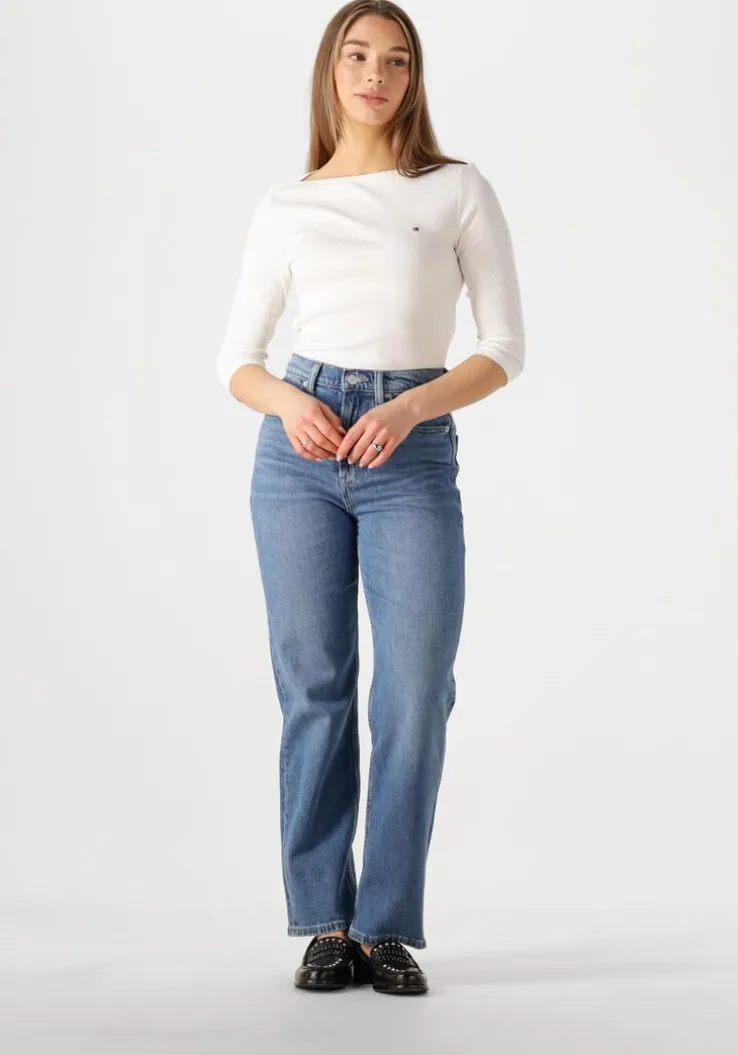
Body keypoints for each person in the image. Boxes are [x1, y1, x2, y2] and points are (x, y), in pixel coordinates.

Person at [216, 0, 525, 996]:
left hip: (412, 451)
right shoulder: (287, 205)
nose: (375, 75)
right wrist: (290, 404)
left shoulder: (456, 189)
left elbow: (504, 347)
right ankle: (326, 921)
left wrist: (413, 407)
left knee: (415, 693)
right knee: (315, 689)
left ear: (413, 78)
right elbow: (237, 360)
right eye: (357, 55)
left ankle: (387, 923)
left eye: (395, 60)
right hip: (298, 456)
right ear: (330, 70)